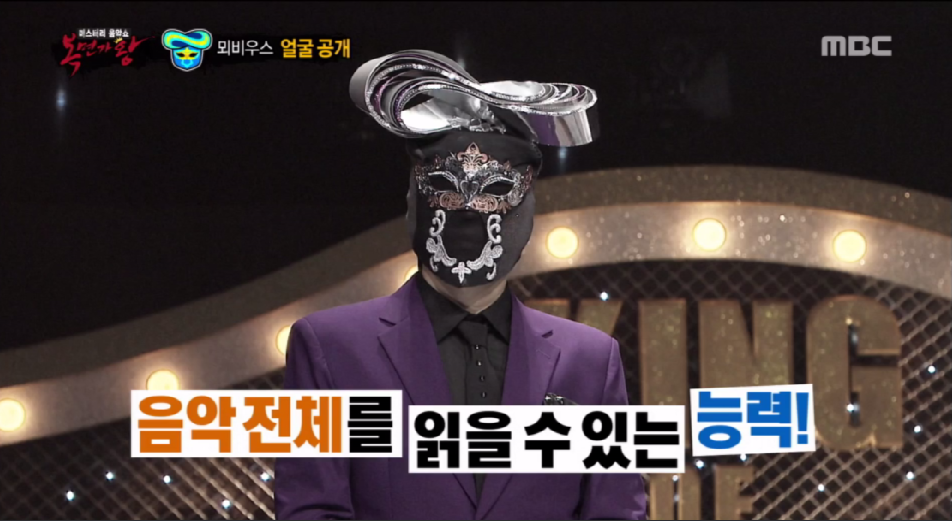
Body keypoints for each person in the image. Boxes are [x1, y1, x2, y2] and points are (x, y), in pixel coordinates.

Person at [275, 50, 646, 520]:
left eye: (494, 191)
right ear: (415, 196)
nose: (469, 209)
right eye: (446, 187)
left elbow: (614, 511)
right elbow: (311, 509)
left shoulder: (589, 360)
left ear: (525, 207)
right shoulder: (331, 347)